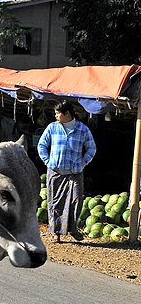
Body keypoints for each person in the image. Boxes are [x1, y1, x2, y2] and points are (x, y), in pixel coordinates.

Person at [37, 100, 97, 242]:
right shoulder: (53, 127)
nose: (56, 116)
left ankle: (72, 229)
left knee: (76, 200)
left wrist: (83, 163)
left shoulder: (82, 129)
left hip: (75, 172)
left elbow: (91, 148)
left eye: (58, 113)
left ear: (67, 113)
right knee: (55, 201)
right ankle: (56, 232)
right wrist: (48, 161)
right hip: (55, 171)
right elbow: (42, 145)